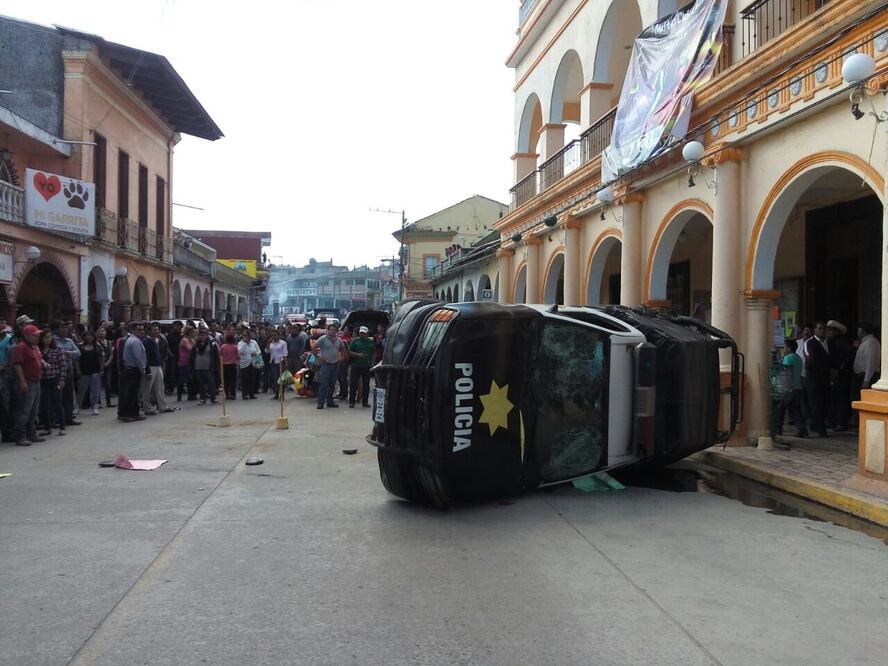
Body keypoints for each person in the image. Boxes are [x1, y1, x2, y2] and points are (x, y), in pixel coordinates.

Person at [12, 324, 44, 446]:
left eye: (38, 335)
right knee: (24, 410)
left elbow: (38, 359)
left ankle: (31, 433)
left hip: (36, 381)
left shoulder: (34, 347)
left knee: (33, 410)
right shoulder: (21, 347)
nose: (37, 337)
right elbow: (17, 364)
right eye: (35, 335)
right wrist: (22, 381)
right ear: (26, 335)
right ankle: (20, 436)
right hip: (28, 381)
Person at [774, 338, 807, 442]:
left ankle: (778, 429)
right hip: (797, 386)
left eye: (784, 347)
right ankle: (802, 429)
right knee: (795, 410)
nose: (783, 349)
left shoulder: (788, 358)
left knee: (780, 409)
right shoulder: (798, 358)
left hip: (788, 388)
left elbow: (785, 373)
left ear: (789, 348)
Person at [804, 321, 831, 438]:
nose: (822, 331)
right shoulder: (810, 343)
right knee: (816, 403)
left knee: (825, 402)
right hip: (814, 378)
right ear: (814, 330)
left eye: (824, 329)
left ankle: (817, 424)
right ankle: (820, 428)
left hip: (825, 379)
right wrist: (824, 368)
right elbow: (810, 361)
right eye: (820, 329)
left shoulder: (828, 343)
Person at [38, 329, 67, 438]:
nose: (48, 339)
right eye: (45, 337)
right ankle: (46, 427)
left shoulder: (57, 349)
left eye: (50, 337)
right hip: (43, 379)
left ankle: (62, 427)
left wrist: (62, 379)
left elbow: (62, 365)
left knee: (58, 403)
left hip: (55, 378)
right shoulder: (38, 350)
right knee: (45, 404)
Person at [52, 321, 81, 426]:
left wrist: (68, 353)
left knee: (69, 395)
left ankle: (69, 417)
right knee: (57, 395)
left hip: (69, 370)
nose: (65, 330)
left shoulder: (69, 341)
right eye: (62, 328)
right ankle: (57, 419)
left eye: (65, 328)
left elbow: (78, 353)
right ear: (55, 330)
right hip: (57, 372)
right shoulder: (52, 341)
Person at [826, 319, 853, 432]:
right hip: (836, 373)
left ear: (836, 332)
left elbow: (849, 355)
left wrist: (841, 367)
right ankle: (835, 421)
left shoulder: (841, 342)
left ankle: (842, 422)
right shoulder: (830, 342)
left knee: (841, 399)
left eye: (830, 330)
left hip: (842, 375)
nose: (828, 332)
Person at [118, 323, 147, 422]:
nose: (141, 332)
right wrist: (142, 369)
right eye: (139, 330)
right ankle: (125, 413)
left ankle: (134, 412)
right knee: (129, 393)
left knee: (134, 393)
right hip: (132, 370)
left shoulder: (130, 340)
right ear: (133, 330)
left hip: (130, 369)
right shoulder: (134, 341)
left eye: (142, 330)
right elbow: (138, 357)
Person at [142, 323, 173, 415]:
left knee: (160, 387)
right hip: (150, 366)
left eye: (157, 329)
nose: (156, 331)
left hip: (158, 365)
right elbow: (145, 357)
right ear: (149, 331)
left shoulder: (158, 340)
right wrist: (147, 370)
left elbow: (163, 351)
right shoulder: (146, 342)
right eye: (154, 330)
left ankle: (162, 406)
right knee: (147, 389)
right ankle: (147, 408)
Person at [314, 323, 345, 410]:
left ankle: (330, 401)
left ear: (337, 331)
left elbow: (343, 348)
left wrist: (342, 357)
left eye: (334, 330)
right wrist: (318, 358)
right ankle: (321, 402)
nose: (333, 331)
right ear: (328, 330)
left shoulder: (338, 340)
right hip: (326, 364)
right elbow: (314, 348)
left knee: (332, 384)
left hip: (335, 364)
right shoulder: (323, 339)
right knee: (324, 384)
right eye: (331, 330)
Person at [76, 331, 104, 417]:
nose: (90, 337)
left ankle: (94, 407)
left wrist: (102, 369)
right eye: (88, 335)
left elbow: (101, 358)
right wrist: (77, 369)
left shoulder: (98, 346)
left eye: (91, 336)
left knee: (95, 391)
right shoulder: (80, 346)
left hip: (95, 371)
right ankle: (77, 405)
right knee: (81, 390)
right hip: (84, 371)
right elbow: (77, 360)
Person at [190, 328, 219, 405]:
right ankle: (202, 399)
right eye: (201, 335)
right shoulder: (196, 344)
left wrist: (216, 366)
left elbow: (216, 356)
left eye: (204, 334)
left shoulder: (212, 344)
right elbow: (192, 355)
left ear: (207, 335)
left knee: (211, 383)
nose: (202, 336)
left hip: (208, 367)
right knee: (201, 384)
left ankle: (213, 398)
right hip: (198, 367)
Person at [347, 326, 375, 408]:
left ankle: (365, 401)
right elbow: (349, 351)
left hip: (366, 366)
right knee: (353, 384)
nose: (362, 335)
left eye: (364, 333)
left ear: (367, 334)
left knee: (366, 384)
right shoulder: (355, 341)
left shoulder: (371, 342)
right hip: (356, 365)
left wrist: (372, 363)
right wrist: (358, 355)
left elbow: (374, 353)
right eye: (361, 333)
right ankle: (351, 401)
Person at [854, 322, 881, 391]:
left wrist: (866, 380)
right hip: (861, 376)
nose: (857, 332)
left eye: (858, 330)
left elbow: (871, 362)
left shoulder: (871, 342)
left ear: (862, 330)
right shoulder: (865, 342)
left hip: (868, 376)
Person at [237, 329, 260, 400]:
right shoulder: (240, 343)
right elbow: (240, 352)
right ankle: (245, 394)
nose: (246, 337)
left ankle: (251, 394)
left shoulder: (254, 342)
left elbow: (259, 351)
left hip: (253, 363)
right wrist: (245, 343)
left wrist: (256, 353)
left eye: (247, 335)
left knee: (252, 379)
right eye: (244, 335)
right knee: (245, 379)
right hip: (244, 363)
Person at [97, 327, 115, 408]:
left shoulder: (109, 342)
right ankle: (98, 402)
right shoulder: (96, 342)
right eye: (100, 331)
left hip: (108, 365)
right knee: (98, 384)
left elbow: (111, 354)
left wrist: (108, 362)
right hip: (98, 366)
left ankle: (108, 402)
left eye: (103, 331)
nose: (102, 333)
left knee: (108, 384)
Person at [267, 329, 288, 399]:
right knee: (275, 378)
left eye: (275, 335)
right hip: (273, 361)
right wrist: (268, 343)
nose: (274, 336)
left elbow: (285, 353)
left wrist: (285, 363)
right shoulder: (271, 343)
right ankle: (276, 393)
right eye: (273, 335)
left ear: (279, 335)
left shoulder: (283, 343)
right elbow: (267, 351)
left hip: (280, 362)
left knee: (281, 379)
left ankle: (282, 394)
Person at [177, 326, 195, 402]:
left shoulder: (191, 340)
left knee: (190, 379)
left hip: (190, 361)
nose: (194, 333)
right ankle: (179, 395)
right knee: (182, 379)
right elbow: (190, 348)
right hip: (183, 361)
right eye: (193, 332)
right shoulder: (185, 340)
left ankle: (190, 395)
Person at [220, 334, 239, 400]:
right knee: (232, 380)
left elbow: (220, 355)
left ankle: (227, 394)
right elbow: (238, 356)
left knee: (225, 380)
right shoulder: (235, 347)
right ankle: (232, 394)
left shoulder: (222, 346)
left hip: (224, 365)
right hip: (232, 364)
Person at [336, 325, 353, 400]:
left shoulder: (349, 340)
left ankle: (344, 393)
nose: (344, 331)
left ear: (350, 332)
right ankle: (341, 392)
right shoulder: (341, 338)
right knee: (339, 377)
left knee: (343, 377)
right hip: (338, 358)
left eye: (346, 329)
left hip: (344, 360)